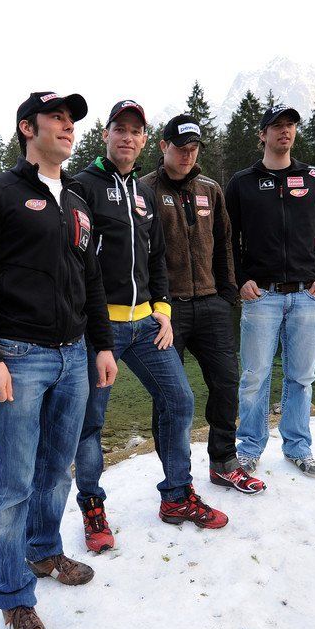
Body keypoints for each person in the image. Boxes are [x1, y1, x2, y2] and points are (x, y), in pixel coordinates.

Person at [0, 91, 119, 629]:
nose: (68, 126)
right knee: (12, 483)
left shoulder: (76, 199)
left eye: (72, 119)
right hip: (19, 357)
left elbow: (91, 280)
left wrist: (102, 346)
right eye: (57, 117)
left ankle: (45, 552)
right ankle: (14, 597)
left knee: (56, 470)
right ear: (28, 128)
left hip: (74, 355)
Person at [72, 100, 227, 555]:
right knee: (90, 422)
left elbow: (157, 257)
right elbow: (74, 262)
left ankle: (176, 495)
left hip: (145, 326)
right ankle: (92, 507)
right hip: (99, 330)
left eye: (135, 131)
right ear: (105, 134)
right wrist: (90, 324)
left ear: (144, 140)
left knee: (179, 399)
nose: (127, 137)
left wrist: (163, 309)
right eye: (119, 129)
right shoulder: (81, 186)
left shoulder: (142, 194)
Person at [142, 114, 266, 495]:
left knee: (226, 383)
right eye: (181, 148)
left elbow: (225, 243)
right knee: (170, 396)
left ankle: (224, 462)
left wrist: (227, 294)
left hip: (212, 304)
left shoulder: (210, 189)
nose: (187, 155)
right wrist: (151, 304)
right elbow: (138, 252)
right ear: (163, 146)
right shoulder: (144, 190)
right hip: (167, 311)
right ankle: (175, 476)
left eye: (194, 148)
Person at [225, 104, 315, 478]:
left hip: (308, 295)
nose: (285, 130)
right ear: (262, 135)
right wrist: (241, 279)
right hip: (262, 295)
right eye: (276, 125)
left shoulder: (314, 178)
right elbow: (226, 239)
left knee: (302, 377)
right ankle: (249, 449)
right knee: (254, 377)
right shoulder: (242, 183)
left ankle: (298, 447)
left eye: (290, 124)